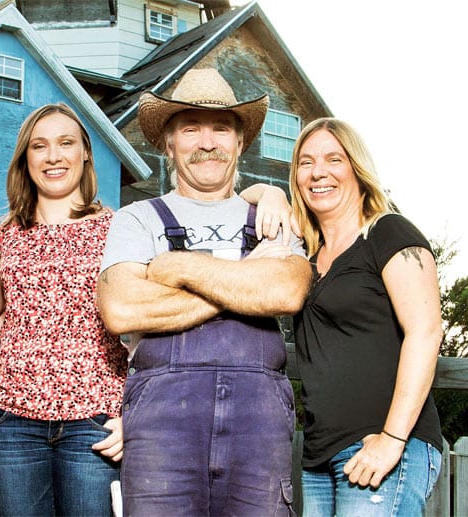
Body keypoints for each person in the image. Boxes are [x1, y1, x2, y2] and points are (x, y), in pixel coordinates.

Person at [97, 68, 312, 516]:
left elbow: (288, 291)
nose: (207, 142)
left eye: (221, 129)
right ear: (169, 144)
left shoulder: (272, 216)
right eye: (190, 129)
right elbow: (121, 308)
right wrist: (246, 278)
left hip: (259, 425)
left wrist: (176, 267)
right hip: (162, 425)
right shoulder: (137, 219)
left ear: (240, 142)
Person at [288, 117, 444, 516]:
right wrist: (267, 195)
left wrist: (392, 439)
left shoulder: (387, 232)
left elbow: (425, 332)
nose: (318, 172)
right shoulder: (307, 254)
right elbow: (256, 201)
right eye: (306, 163)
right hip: (319, 459)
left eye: (333, 159)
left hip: (384, 445)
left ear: (356, 168)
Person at [0, 103, 128, 516]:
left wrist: (133, 413)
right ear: (25, 160)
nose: (53, 156)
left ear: (85, 153)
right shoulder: (5, 236)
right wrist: (36, 330)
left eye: (66, 143)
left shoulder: (119, 230)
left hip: (95, 421)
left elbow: (143, 329)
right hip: (13, 424)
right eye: (39, 146)